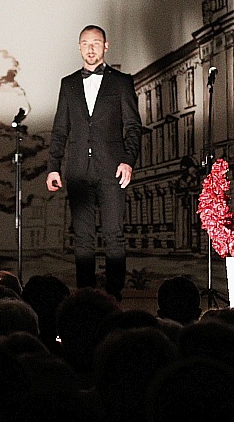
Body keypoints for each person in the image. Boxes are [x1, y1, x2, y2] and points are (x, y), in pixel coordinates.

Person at [47, 24, 142, 301]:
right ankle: (85, 296)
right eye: (86, 43)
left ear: (106, 46)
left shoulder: (121, 82)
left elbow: (134, 127)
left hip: (112, 167)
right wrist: (53, 166)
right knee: (83, 237)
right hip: (77, 168)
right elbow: (60, 129)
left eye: (96, 43)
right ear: (79, 47)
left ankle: (114, 296)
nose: (91, 48)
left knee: (114, 235)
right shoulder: (68, 84)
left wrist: (128, 161)